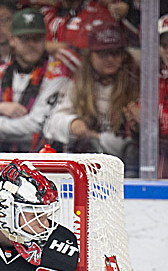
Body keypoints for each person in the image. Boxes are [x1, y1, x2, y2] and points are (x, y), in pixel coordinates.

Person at [0, 8, 72, 152]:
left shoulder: (58, 74)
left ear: (45, 40)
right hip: (2, 158)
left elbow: (37, 126)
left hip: (41, 157)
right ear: (12, 40)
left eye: (36, 39)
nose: (31, 44)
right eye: (24, 39)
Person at [45, 21, 139, 166]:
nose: (110, 59)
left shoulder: (136, 86)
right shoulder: (78, 84)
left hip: (123, 166)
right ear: (90, 55)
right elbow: (51, 124)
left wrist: (96, 137)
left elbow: (135, 142)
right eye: (103, 54)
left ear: (123, 56)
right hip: (84, 165)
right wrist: (71, 124)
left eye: (115, 53)